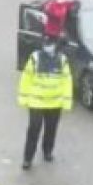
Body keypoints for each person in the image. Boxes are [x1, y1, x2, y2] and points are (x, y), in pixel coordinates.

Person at [18, 36, 73, 170]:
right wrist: (23, 98)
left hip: (55, 103)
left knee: (51, 130)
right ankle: (27, 158)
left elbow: (67, 81)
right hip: (36, 102)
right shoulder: (35, 58)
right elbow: (26, 78)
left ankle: (47, 151)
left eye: (51, 43)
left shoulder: (62, 59)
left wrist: (66, 102)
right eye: (46, 43)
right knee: (33, 130)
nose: (48, 46)